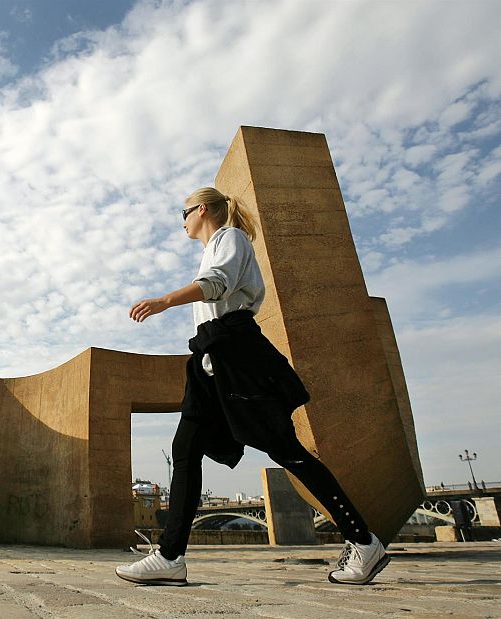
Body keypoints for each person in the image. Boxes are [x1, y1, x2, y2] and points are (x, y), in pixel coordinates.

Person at [115, 187, 390, 586]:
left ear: (202, 209)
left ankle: (363, 541)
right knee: (185, 450)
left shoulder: (230, 238)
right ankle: (171, 556)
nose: (182, 221)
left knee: (286, 449)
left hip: (236, 356)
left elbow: (217, 283)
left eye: (184, 213)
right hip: (209, 361)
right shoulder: (213, 247)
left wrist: (165, 300)